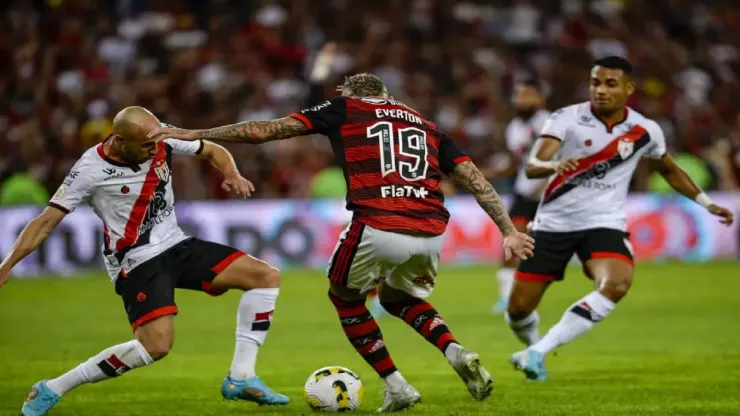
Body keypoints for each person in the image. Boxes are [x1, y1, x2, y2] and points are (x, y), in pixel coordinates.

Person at [148, 73, 535, 412]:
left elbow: (266, 130)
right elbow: (473, 178)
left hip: (379, 224)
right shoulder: (426, 123)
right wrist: (508, 230)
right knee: (397, 299)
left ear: (351, 94)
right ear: (385, 94)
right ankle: (455, 350)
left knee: (344, 297)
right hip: (431, 231)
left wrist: (195, 133)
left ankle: (398, 387)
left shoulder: (345, 108)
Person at [0, 107, 290, 416]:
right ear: (120, 140)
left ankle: (241, 377)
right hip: (137, 261)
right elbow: (46, 221)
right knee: (156, 347)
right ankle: (52, 387)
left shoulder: (159, 136)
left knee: (265, 276)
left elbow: (212, 150)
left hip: (176, 243)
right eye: (146, 147)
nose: (155, 150)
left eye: (156, 143)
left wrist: (231, 173)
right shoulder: (89, 169)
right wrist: (6, 266)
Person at [504, 56, 735, 381]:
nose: (600, 90)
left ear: (628, 88)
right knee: (518, 310)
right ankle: (531, 343)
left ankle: (539, 352)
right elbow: (532, 164)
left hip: (603, 222)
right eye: (595, 83)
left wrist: (707, 203)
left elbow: (669, 169)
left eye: (610, 83)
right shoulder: (566, 117)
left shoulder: (645, 130)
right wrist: (553, 165)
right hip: (553, 224)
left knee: (616, 284)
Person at [483, 78, 551, 315]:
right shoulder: (515, 127)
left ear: (540, 99)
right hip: (525, 193)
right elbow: (515, 163)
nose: (520, 100)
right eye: (518, 95)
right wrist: (483, 174)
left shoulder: (551, 124)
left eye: (527, 95)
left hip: (553, 195)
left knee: (547, 250)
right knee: (512, 242)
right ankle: (505, 298)